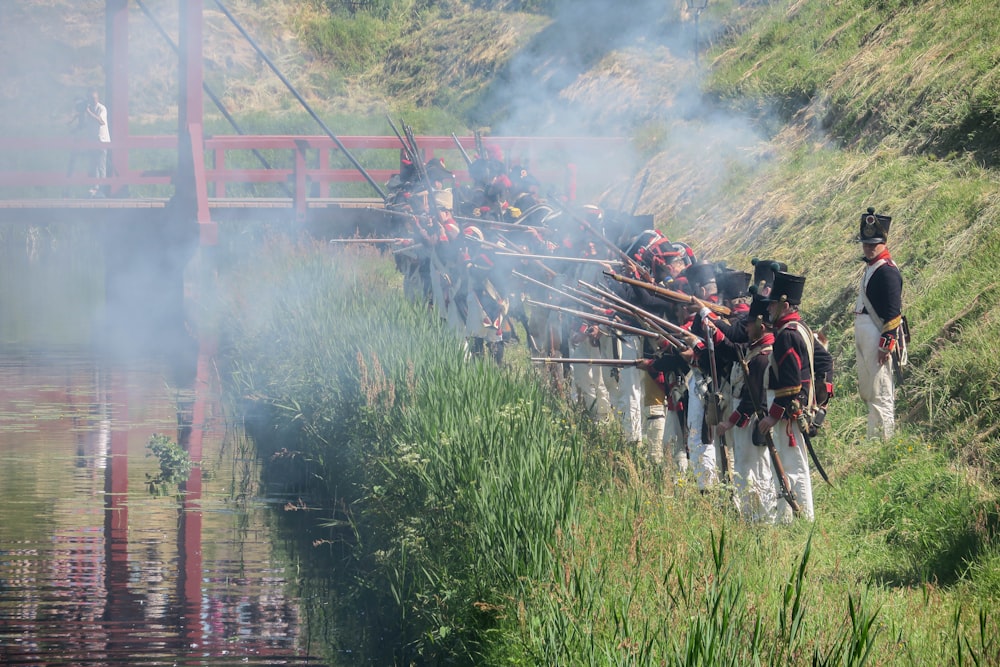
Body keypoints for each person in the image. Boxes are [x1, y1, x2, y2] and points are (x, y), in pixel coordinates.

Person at [757, 270, 815, 522]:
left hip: (787, 413)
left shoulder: (787, 335)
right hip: (792, 410)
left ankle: (799, 519)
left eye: (773, 303)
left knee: (792, 466)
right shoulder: (798, 328)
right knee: (792, 464)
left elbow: (790, 385)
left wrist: (773, 416)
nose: (769, 308)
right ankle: (794, 517)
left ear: (785, 304)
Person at [854, 207, 903, 440]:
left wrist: (887, 343)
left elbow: (894, 312)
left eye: (873, 243)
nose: (869, 247)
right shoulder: (872, 268)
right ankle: (874, 436)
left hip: (877, 335)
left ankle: (885, 438)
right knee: (869, 390)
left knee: (881, 390)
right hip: (866, 334)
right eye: (866, 243)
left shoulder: (888, 271)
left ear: (883, 241)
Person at [85, 88, 110, 197]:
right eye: (91, 98)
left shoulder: (101, 108)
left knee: (101, 166)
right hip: (93, 141)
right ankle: (95, 187)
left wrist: (88, 112)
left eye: (94, 98)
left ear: (98, 98)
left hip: (102, 140)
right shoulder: (90, 108)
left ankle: (102, 188)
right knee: (93, 165)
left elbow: (101, 121)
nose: (93, 100)